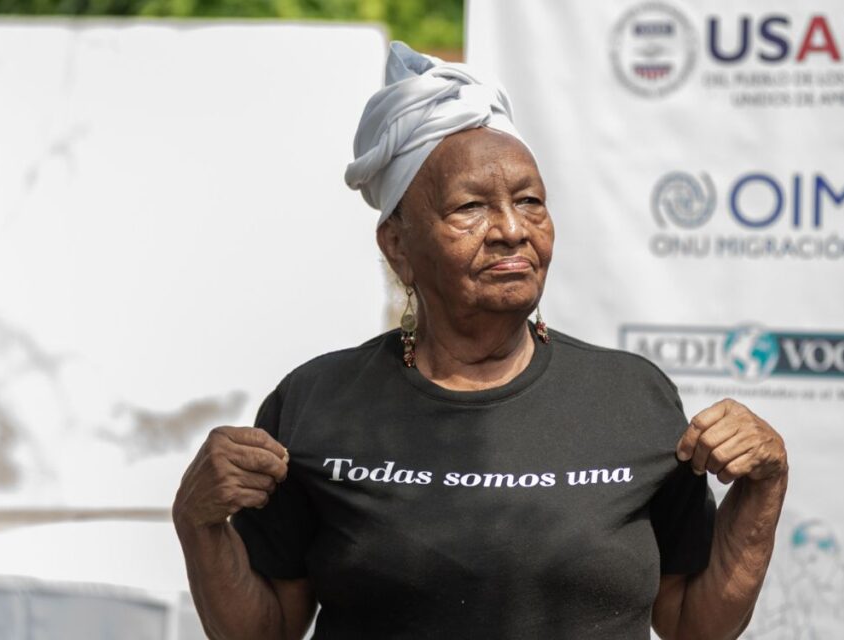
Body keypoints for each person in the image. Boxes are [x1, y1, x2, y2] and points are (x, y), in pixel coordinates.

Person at [172, 42, 788, 640]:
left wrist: (764, 490)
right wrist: (199, 524)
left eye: (530, 201)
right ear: (397, 244)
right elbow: (267, 628)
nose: (513, 230)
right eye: (471, 206)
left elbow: (691, 624)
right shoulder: (315, 401)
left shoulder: (633, 395)